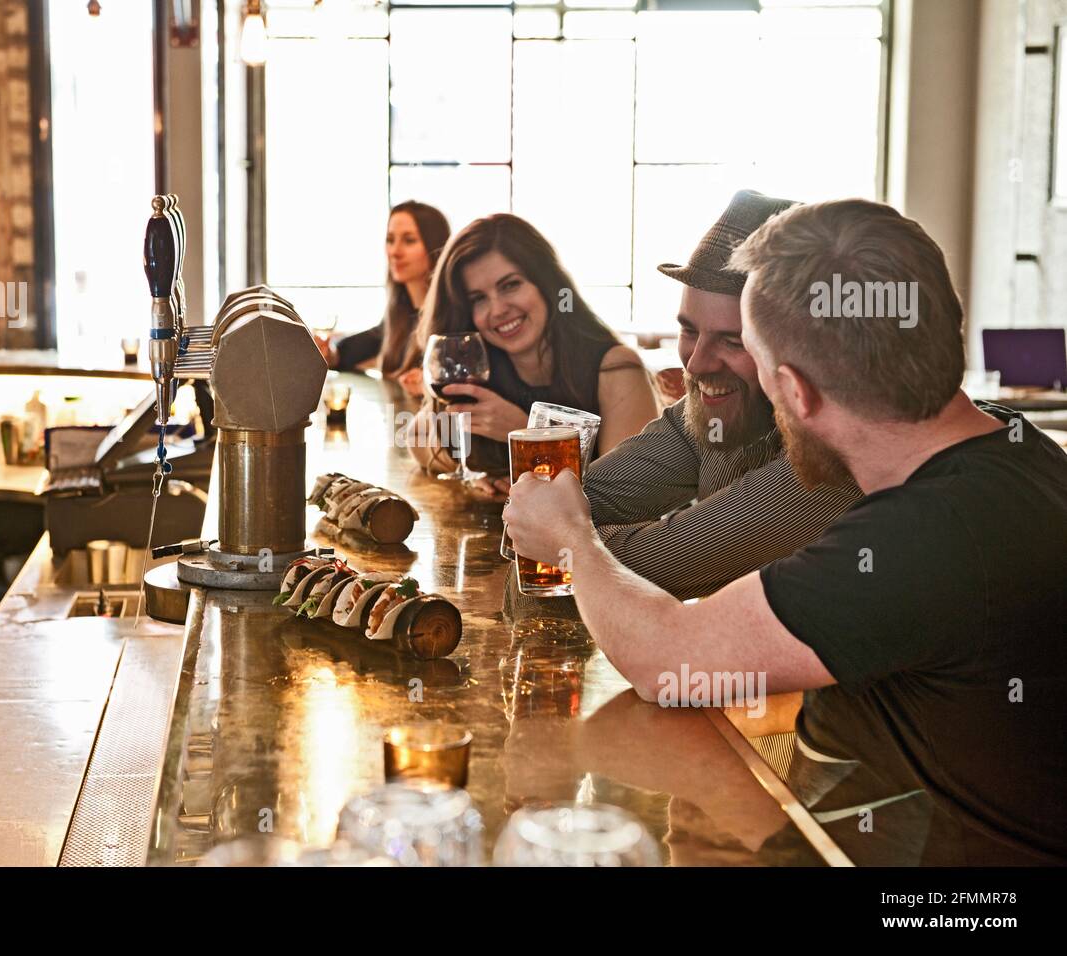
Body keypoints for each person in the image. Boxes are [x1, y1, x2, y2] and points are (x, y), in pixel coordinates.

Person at [503, 198, 1067, 864]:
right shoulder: (1017, 450)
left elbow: (670, 664)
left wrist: (574, 542)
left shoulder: (916, 537)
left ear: (795, 392)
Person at [574, 189, 860, 600]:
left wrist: (561, 533)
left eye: (733, 340)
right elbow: (574, 499)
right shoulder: (716, 411)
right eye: (689, 330)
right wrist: (555, 525)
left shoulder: (838, 446)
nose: (696, 364)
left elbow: (645, 564)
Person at [406, 214, 659, 473]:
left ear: (547, 284)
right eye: (478, 298)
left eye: (510, 285)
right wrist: (476, 473)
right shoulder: (484, 369)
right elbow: (417, 437)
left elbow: (628, 490)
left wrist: (529, 434)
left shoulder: (616, 367)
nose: (497, 310)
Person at [321, 200, 450, 380]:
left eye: (409, 240)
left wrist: (428, 381)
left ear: (435, 246)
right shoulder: (400, 314)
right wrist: (331, 354)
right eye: (390, 240)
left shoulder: (451, 316)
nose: (395, 251)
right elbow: (356, 348)